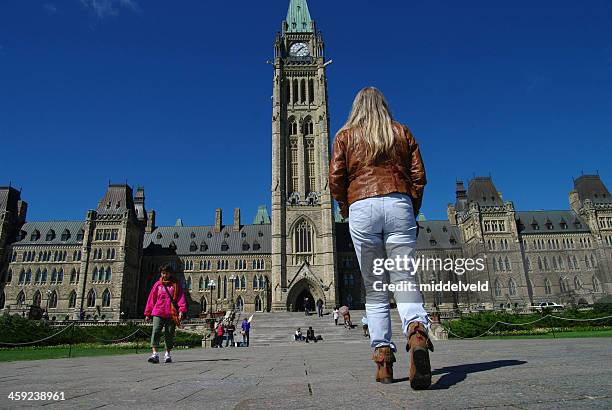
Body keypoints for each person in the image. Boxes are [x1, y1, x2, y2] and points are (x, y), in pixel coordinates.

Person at [329, 87, 434, 389]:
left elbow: (335, 178)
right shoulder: (401, 132)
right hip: (399, 201)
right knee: (405, 281)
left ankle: (383, 360)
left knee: (375, 290)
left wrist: (347, 207)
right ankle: (416, 332)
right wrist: (411, 206)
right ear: (384, 106)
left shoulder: (346, 135)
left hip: (361, 205)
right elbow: (419, 175)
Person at [144, 264, 187, 364]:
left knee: (169, 333)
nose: (164, 275)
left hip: (171, 313)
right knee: (156, 331)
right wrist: (147, 313)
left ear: (170, 273)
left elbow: (181, 298)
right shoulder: (157, 285)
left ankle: (167, 354)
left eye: (166, 273)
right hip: (158, 311)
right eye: (163, 273)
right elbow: (152, 299)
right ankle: (155, 354)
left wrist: (181, 310)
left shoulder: (175, 285)